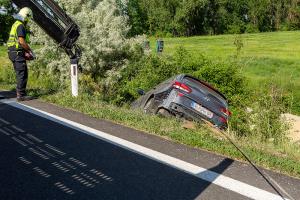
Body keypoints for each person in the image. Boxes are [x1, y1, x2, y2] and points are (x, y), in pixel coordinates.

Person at [7, 7, 35, 101]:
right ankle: (21, 95)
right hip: (17, 52)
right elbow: (22, 42)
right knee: (22, 73)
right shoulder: (21, 26)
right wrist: (30, 51)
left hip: (12, 52)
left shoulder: (16, 24)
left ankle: (20, 92)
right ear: (26, 17)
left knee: (21, 72)